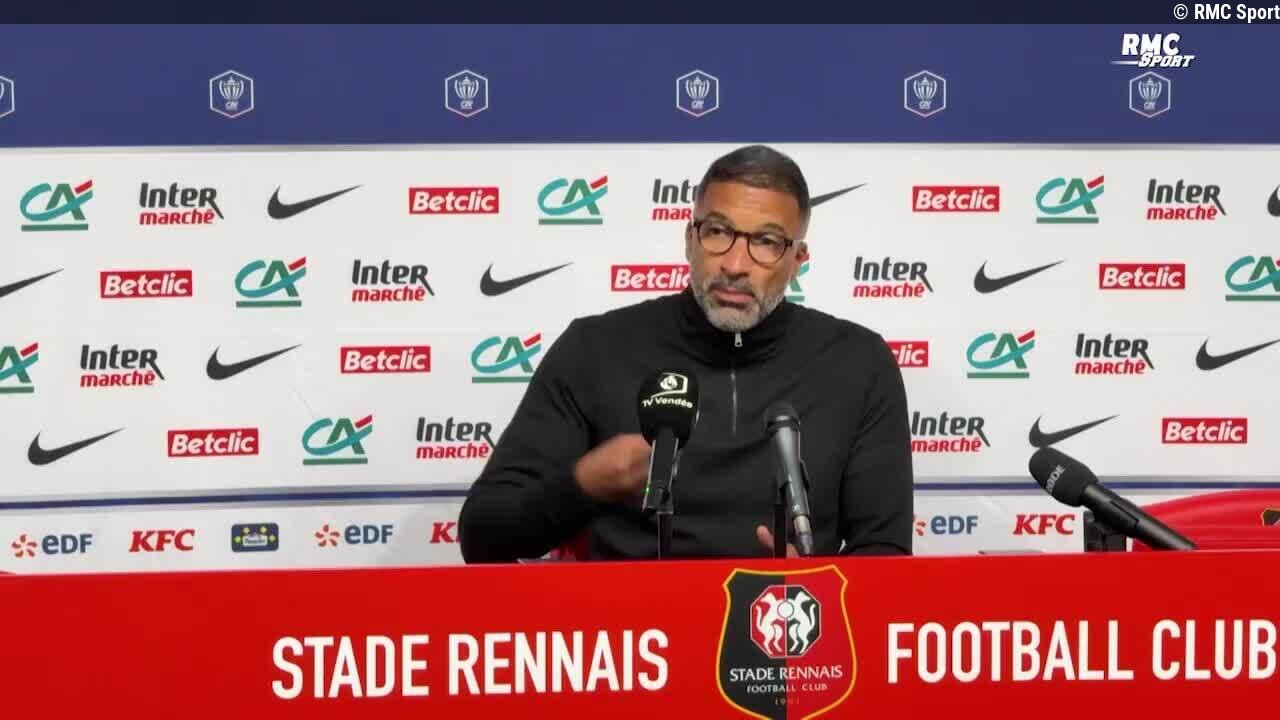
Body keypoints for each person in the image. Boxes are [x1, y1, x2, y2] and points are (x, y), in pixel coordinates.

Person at [459, 144, 913, 562]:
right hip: (628, 622)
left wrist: (819, 590)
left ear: (798, 260)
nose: (734, 265)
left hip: (783, 621)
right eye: (717, 232)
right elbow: (482, 535)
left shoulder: (858, 364)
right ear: (689, 240)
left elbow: (886, 552)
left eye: (767, 242)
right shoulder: (594, 349)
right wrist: (583, 485)